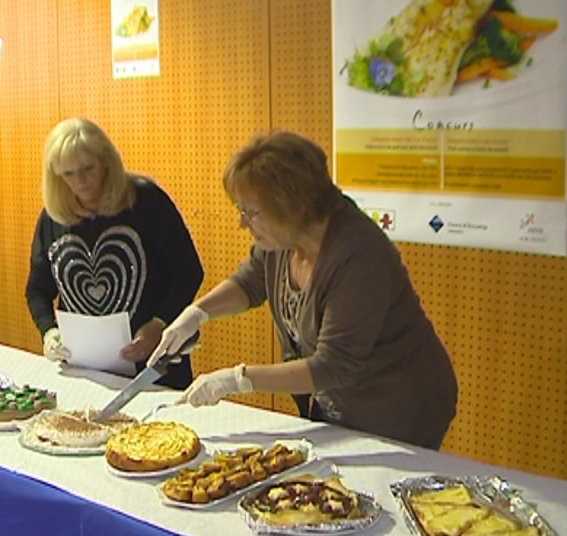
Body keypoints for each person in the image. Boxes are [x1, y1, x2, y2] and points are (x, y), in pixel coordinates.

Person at [149, 130, 457, 448]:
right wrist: (196, 314)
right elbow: (250, 283)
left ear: (293, 205)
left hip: (399, 405)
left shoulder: (358, 254)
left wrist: (237, 379)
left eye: (250, 213)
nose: (242, 222)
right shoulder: (283, 237)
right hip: (341, 400)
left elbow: (333, 365)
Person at [26, 118, 204, 389]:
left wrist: (159, 324)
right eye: (68, 174)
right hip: (84, 371)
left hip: (154, 369)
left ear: (106, 161)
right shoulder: (54, 217)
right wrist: (49, 333)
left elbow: (188, 272)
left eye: (88, 169)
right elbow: (37, 289)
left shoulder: (144, 200)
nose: (81, 182)